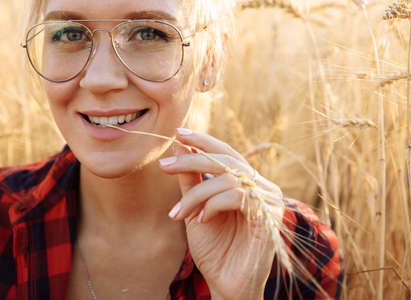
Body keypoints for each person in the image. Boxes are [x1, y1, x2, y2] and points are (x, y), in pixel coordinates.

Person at [0, 0, 343, 299]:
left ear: (211, 59)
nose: (100, 78)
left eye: (148, 33)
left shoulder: (295, 248)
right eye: (70, 33)